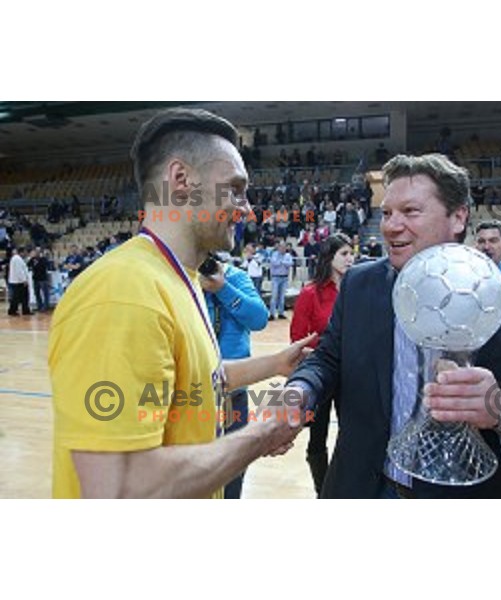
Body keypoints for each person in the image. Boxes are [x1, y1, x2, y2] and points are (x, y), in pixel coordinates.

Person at [285, 153, 501, 499]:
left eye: (410, 211)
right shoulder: (360, 284)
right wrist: (300, 391)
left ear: (458, 217)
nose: (390, 225)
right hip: (364, 488)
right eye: (386, 213)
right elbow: (328, 359)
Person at [49, 108, 315, 499]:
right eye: (236, 188)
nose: (247, 208)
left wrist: (276, 364)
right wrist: (262, 433)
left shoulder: (180, 278)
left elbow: (200, 379)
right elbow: (121, 489)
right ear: (181, 181)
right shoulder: (122, 293)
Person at [290, 234, 355, 495]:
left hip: (351, 376)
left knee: (351, 434)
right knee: (317, 439)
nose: (351, 259)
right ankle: (322, 491)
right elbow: (297, 338)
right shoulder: (310, 293)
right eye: (344, 254)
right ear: (329, 258)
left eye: (352, 253)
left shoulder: (356, 290)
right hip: (322, 375)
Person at [202, 258, 269, 499]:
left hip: (233, 391)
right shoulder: (183, 282)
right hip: (195, 392)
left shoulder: (235, 277)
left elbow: (259, 319)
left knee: (233, 468)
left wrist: (222, 288)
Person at [269, 240, 293, 321]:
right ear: (278, 247)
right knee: (274, 296)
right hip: (275, 277)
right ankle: (272, 314)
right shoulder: (274, 254)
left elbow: (290, 264)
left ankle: (281, 313)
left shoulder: (288, 255)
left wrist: (282, 262)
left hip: (284, 278)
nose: (283, 249)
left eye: (284, 247)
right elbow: (274, 263)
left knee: (282, 297)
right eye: (281, 247)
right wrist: (283, 262)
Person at [8, 247, 32, 316]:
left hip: (17, 281)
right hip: (19, 282)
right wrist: (24, 280)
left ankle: (25, 310)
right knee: (17, 297)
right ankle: (13, 310)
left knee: (21, 297)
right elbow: (19, 271)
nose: (26, 254)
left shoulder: (16, 258)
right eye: (25, 252)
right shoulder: (17, 259)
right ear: (21, 252)